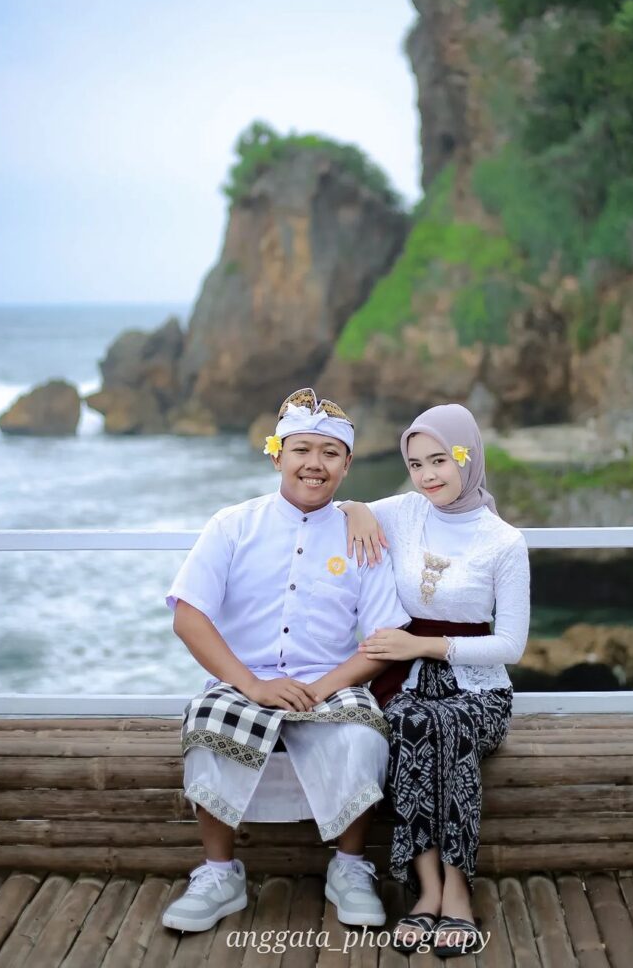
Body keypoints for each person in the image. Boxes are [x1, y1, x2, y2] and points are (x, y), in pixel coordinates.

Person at [161, 387, 410, 933]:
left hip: (330, 682)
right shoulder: (232, 525)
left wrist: (322, 689)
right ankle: (219, 874)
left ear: (347, 465)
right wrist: (251, 685)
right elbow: (189, 617)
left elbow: (384, 637)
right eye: (301, 449)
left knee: (363, 733)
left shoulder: (361, 536)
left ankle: (349, 868)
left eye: (329, 453)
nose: (314, 464)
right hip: (243, 681)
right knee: (208, 723)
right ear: (277, 455)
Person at [342, 404, 530, 957]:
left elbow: (511, 645)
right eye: (416, 463)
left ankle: (457, 888)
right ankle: (426, 888)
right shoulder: (405, 511)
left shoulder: (504, 541)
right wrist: (355, 507)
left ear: (466, 458)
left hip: (479, 689)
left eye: (440, 460)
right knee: (409, 723)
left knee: (448, 726)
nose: (427, 475)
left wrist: (425, 645)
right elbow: (336, 511)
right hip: (405, 683)